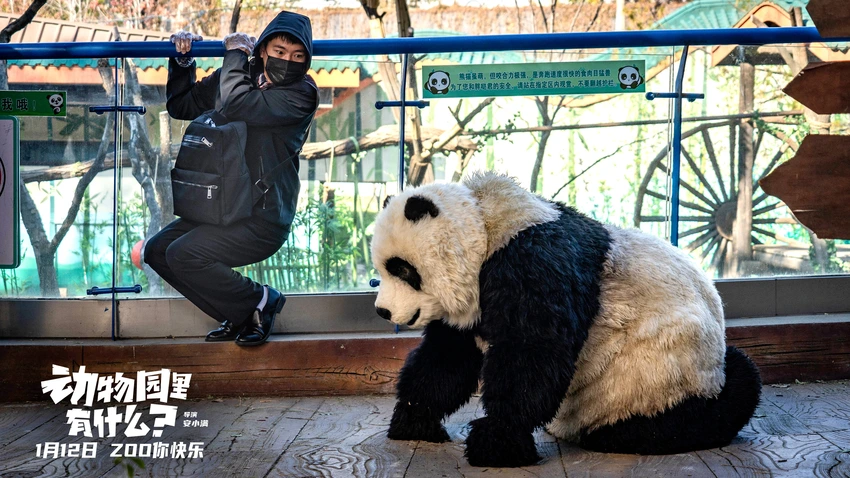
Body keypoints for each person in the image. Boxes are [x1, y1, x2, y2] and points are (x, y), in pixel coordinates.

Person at [144, 11, 319, 346]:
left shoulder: (301, 94)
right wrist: (183, 60)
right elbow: (182, 106)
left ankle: (261, 301)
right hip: (222, 207)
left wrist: (235, 54)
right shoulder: (242, 73)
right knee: (157, 251)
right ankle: (240, 314)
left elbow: (238, 104)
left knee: (183, 254)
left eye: (298, 56)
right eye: (280, 51)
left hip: (262, 217)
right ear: (263, 49)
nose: (287, 61)